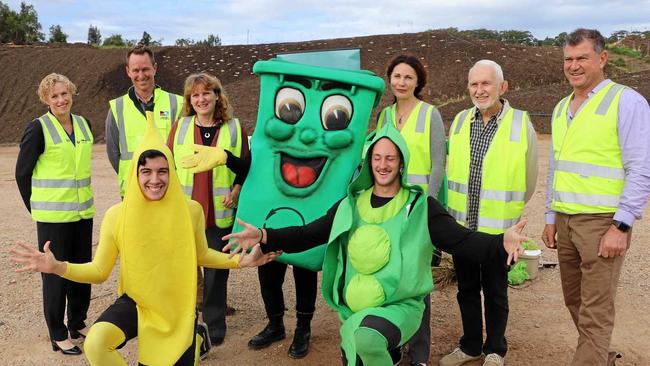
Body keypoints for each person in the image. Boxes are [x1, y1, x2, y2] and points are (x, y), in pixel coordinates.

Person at [224, 123, 529, 366]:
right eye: (377, 157)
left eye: (390, 158)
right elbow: (310, 234)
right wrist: (265, 235)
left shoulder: (421, 206)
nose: (383, 164)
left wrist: (502, 242)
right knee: (354, 350)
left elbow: (463, 242)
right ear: (369, 161)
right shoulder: (351, 204)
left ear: (401, 163)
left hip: (400, 307)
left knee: (367, 339)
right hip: (355, 310)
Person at [11, 113, 274, 366]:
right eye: (146, 171)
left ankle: (194, 337)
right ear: (136, 174)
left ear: (171, 171)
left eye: (162, 171)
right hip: (137, 302)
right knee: (96, 343)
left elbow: (202, 254)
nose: (155, 179)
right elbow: (100, 271)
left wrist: (243, 261)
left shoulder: (191, 209)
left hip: (177, 309)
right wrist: (57, 267)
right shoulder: (117, 216)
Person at [541, 28, 650, 366]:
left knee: (595, 309)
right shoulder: (561, 109)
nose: (573, 66)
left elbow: (642, 167)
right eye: (568, 59)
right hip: (566, 220)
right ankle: (603, 356)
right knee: (575, 301)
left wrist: (621, 224)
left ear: (602, 59)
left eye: (582, 58)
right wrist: (550, 217)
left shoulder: (625, 101)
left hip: (602, 223)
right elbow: (556, 167)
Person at [440, 60, 538, 366]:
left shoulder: (521, 124)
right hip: (463, 229)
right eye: (474, 84)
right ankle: (470, 346)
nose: (479, 90)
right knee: (467, 290)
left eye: (486, 84)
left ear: (502, 87)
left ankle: (495, 349)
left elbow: (530, 179)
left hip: (499, 232)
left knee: (496, 292)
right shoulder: (458, 121)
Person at [374, 54, 447, 366]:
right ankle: (392, 345)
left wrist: (426, 208)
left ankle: (418, 354)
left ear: (419, 82)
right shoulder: (384, 116)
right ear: (390, 79)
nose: (401, 82)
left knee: (416, 283)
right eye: (397, 76)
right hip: (388, 210)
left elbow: (438, 164)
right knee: (389, 278)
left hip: (417, 210)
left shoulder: (430, 114)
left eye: (408, 77)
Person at [15, 73, 95, 355]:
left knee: (80, 271)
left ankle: (77, 322)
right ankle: (58, 333)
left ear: (72, 93)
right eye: (54, 96)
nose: (61, 100)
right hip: (53, 219)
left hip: (83, 214)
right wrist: (37, 208)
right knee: (54, 276)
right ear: (46, 100)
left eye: (64, 94)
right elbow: (22, 173)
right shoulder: (38, 128)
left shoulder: (84, 124)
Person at [168, 72, 250, 347]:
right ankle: (186, 322)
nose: (201, 99)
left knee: (216, 272)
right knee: (184, 271)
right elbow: (167, 165)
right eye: (195, 95)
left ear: (217, 95)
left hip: (219, 213)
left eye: (206, 93)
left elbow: (246, 166)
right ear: (190, 100)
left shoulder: (235, 128)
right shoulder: (180, 127)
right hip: (185, 212)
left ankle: (215, 324)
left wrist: (237, 189)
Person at [106, 45, 184, 197]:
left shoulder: (177, 104)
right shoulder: (117, 108)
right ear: (128, 72)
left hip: (169, 189)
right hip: (132, 189)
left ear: (154, 68)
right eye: (136, 70)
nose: (141, 75)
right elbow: (113, 153)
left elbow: (183, 149)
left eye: (145, 69)